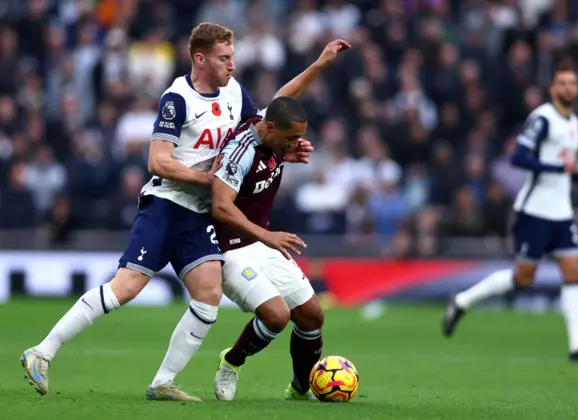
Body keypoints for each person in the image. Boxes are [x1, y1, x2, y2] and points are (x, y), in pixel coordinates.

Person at [20, 22, 349, 401]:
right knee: (125, 288)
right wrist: (208, 177)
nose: (232, 65)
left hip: (200, 214)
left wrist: (320, 64)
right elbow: (157, 162)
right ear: (200, 57)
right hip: (166, 204)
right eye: (225, 58)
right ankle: (41, 353)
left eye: (233, 57)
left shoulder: (233, 93)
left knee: (208, 295)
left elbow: (273, 110)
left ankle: (162, 383)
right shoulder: (177, 99)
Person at [442, 62, 578, 362]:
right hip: (534, 211)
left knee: (574, 271)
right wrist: (559, 168)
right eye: (563, 83)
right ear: (553, 88)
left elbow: (562, 168)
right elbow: (518, 157)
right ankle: (462, 300)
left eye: (573, 83)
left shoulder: (573, 123)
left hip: (561, 212)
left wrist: (575, 175)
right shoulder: (543, 119)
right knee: (523, 279)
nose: (568, 88)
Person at [209, 97, 323, 401]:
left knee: (312, 316)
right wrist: (266, 235)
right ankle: (231, 362)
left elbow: (288, 93)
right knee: (276, 316)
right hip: (229, 248)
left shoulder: (274, 141)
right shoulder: (241, 151)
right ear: (270, 127)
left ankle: (301, 388)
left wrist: (322, 62)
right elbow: (220, 206)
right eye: (291, 138)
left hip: (260, 242)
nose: (296, 144)